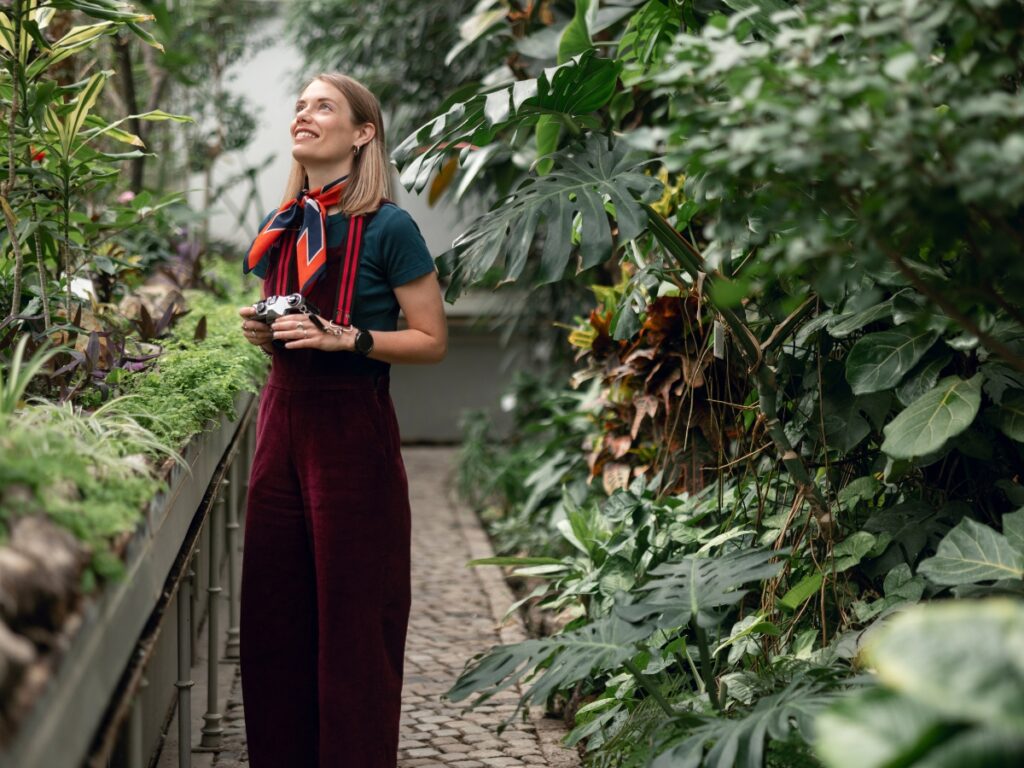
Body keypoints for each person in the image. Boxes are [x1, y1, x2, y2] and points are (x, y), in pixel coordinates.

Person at [236, 72, 447, 767]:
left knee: (356, 630)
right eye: (298, 104)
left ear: (362, 133)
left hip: (352, 435)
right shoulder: (285, 224)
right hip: (279, 426)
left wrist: (346, 336)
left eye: (322, 105)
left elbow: (432, 339)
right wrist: (270, 333)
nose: (303, 113)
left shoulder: (392, 227)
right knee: (273, 622)